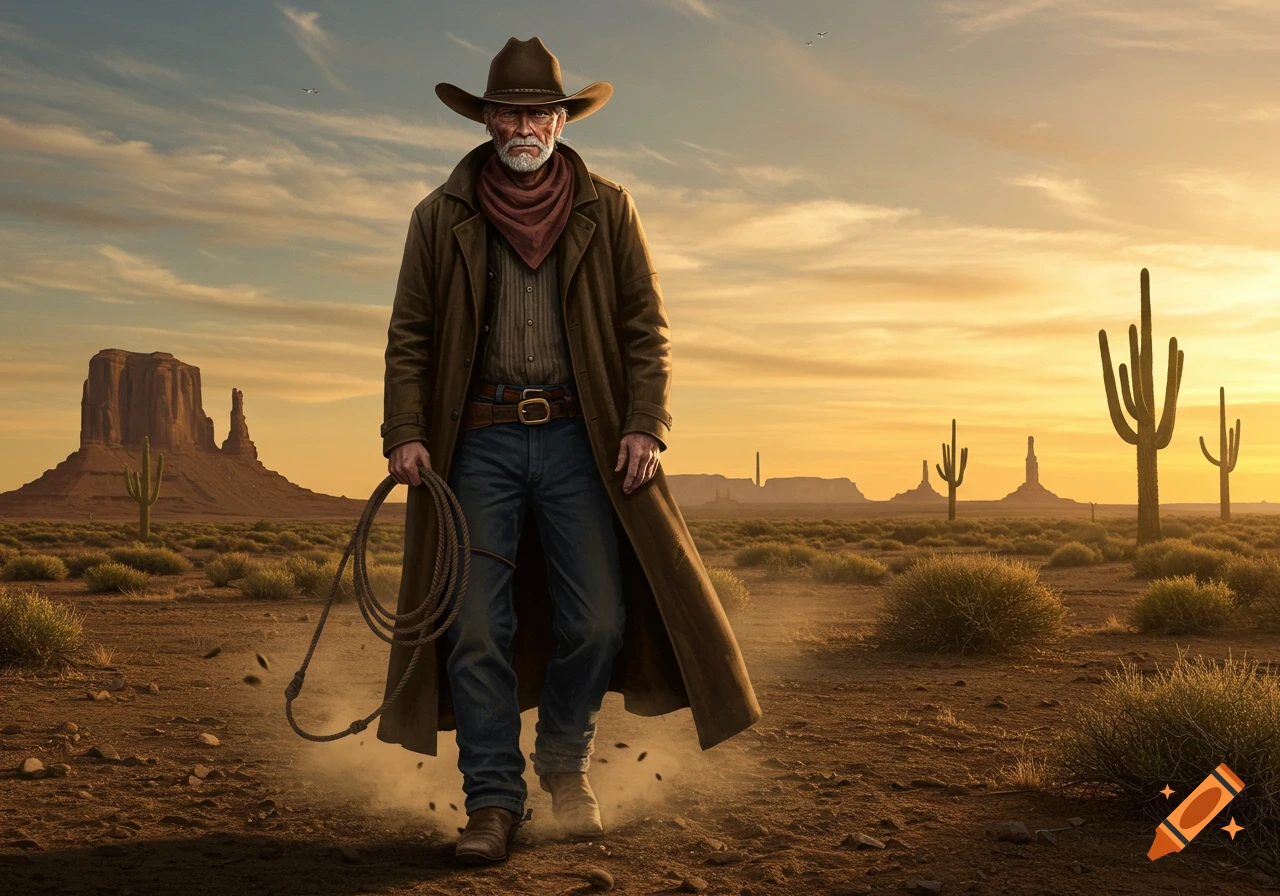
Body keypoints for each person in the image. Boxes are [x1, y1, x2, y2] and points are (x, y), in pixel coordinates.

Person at [380, 36, 761, 864]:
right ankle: (492, 801)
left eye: (539, 111)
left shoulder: (609, 208)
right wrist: (405, 432)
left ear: (560, 119)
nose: (524, 125)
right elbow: (409, 336)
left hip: (582, 442)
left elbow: (645, 330)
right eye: (508, 111)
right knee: (474, 624)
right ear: (487, 120)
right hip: (474, 441)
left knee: (598, 620)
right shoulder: (438, 216)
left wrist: (646, 423)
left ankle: (564, 763)